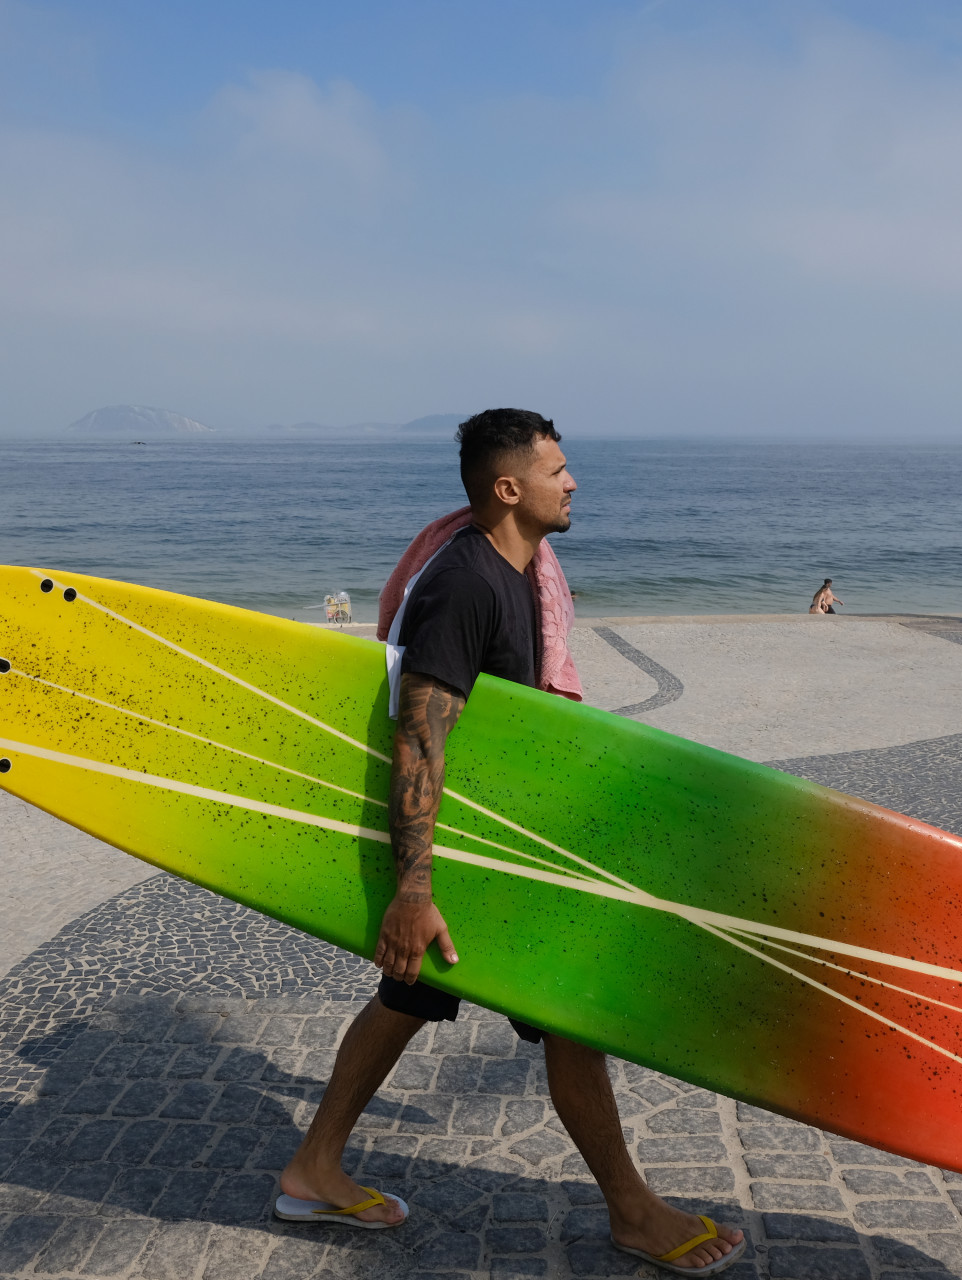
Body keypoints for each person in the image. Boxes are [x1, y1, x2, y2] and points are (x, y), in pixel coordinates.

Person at [275, 409, 747, 1275]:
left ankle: (313, 1166)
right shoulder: (467, 585)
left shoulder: (519, 574)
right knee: (565, 1013)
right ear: (508, 488)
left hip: (497, 846)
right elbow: (420, 736)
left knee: (414, 1000)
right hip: (472, 856)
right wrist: (412, 893)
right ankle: (632, 1212)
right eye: (557, 470)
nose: (572, 482)